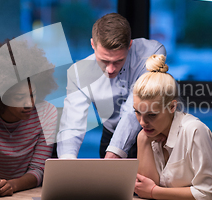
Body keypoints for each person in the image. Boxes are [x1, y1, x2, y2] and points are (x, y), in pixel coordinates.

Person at [56, 13, 166, 159]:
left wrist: (116, 151)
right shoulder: (79, 72)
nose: (110, 69)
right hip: (110, 134)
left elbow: (133, 107)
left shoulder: (151, 53)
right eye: (104, 61)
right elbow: (72, 123)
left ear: (130, 45)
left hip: (151, 133)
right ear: (93, 44)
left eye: (118, 61)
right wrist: (66, 161)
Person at [133, 54, 212, 200]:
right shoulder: (150, 133)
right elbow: (145, 190)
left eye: (151, 115)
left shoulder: (194, 130)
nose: (142, 122)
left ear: (172, 107)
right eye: (137, 112)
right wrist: (142, 140)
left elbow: (210, 193)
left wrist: (155, 191)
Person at [0, 40, 58, 196]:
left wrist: (11, 185)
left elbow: (38, 170)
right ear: (0, 96)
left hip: (28, 197)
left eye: (33, 95)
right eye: (20, 97)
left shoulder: (47, 113)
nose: (29, 103)